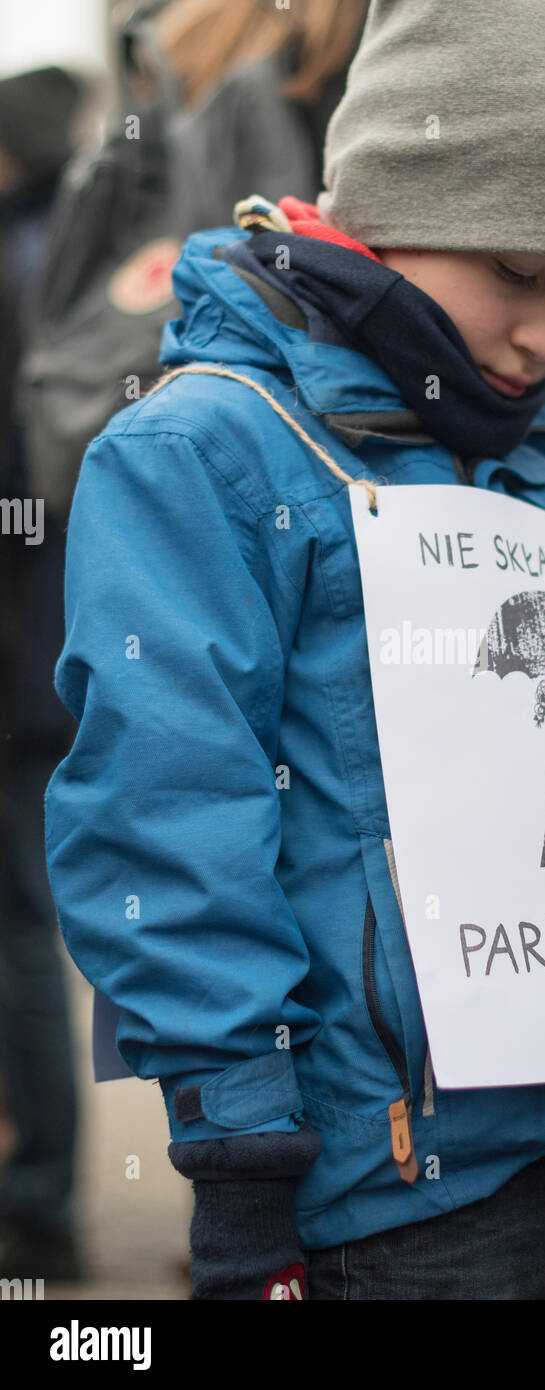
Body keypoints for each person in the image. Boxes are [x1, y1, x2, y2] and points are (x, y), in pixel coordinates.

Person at [45, 0, 545, 1301]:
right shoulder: (203, 454)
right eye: (518, 273)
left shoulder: (528, 447)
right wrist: (238, 1156)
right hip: (397, 1192)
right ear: (395, 190)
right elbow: (166, 819)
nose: (542, 338)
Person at [0, 66, 87, 1281]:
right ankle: (47, 1194)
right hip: (42, 652)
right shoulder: (61, 260)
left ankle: (40, 1192)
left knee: (23, 927)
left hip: (19, 653)